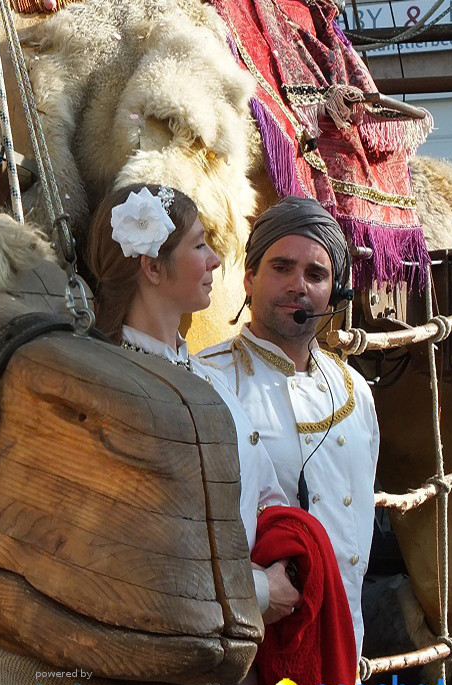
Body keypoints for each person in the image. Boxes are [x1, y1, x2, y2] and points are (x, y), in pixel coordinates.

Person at [88, 183, 299, 621]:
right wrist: (260, 589)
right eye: (199, 244)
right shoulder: (114, 387)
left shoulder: (208, 377)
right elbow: (145, 544)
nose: (215, 260)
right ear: (152, 267)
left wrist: (290, 556)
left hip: (240, 640)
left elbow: (264, 492)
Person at [199, 195, 379, 655]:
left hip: (339, 642)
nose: (298, 285)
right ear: (247, 279)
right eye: (281, 268)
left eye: (316, 274)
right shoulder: (204, 381)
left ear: (334, 294)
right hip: (242, 649)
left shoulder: (356, 393)